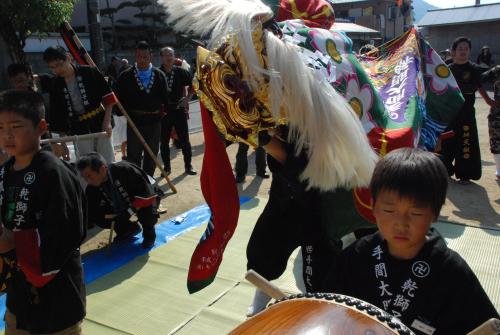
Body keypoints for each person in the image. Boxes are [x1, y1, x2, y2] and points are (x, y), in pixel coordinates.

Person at [323, 148, 499, 333]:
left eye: (416, 213)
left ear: (435, 213)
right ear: (373, 207)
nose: (401, 224)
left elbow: (483, 326)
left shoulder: (450, 270)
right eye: (389, 211)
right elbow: (327, 309)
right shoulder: (357, 256)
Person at [0, 90, 87, 334]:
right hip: (18, 293)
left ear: (41, 127)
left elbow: (66, 232)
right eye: (0, 127)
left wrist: (11, 240)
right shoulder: (6, 172)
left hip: (57, 291)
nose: (7, 134)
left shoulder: (54, 173)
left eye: (15, 126)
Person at [246, 126, 338, 316]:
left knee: (319, 265)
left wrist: (263, 139)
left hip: (316, 203)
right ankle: (263, 290)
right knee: (265, 248)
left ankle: (318, 306)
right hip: (284, 198)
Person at [38, 45, 116, 164]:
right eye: (52, 68)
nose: (57, 70)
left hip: (99, 121)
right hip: (78, 127)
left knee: (108, 160)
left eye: (59, 65)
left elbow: (108, 97)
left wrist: (107, 121)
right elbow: (57, 115)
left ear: (68, 58)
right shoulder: (55, 84)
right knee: (86, 163)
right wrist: (62, 142)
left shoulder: (90, 71)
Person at [439, 37, 496, 184]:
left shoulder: (475, 69)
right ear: (453, 51)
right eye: (460, 48)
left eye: (466, 48)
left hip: (466, 114)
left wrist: (489, 101)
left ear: (469, 51)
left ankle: (465, 174)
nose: (463, 51)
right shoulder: (446, 69)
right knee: (446, 142)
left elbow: (479, 86)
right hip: (449, 113)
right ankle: (445, 170)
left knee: (466, 142)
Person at [76, 152, 159, 249]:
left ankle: (149, 235)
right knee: (97, 216)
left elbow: (146, 196)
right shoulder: (92, 188)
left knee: (147, 213)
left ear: (103, 169)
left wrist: (129, 212)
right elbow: (91, 211)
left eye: (89, 176)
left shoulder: (125, 170)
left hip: (145, 197)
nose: (87, 180)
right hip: (123, 205)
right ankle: (128, 229)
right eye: (84, 177)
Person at [116, 41, 169, 177]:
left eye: (145, 57)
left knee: (152, 154)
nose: (142, 60)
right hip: (135, 122)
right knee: (134, 155)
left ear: (150, 56)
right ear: (135, 56)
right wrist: (121, 112)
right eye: (139, 57)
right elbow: (117, 98)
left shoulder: (159, 75)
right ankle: (136, 182)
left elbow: (166, 99)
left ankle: (148, 181)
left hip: (154, 122)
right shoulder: (126, 76)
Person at [158, 46, 197, 175]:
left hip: (179, 110)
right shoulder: (157, 73)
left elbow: (194, 85)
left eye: (171, 55)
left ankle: (188, 166)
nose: (169, 58)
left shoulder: (181, 72)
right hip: (164, 112)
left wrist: (187, 98)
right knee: (164, 142)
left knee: (185, 140)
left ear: (174, 57)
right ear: (161, 58)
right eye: (166, 55)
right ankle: (167, 168)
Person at [481, 65, 500, 180]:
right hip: (497, 113)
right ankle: (499, 170)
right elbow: (477, 79)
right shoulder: (497, 70)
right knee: (496, 141)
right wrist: (487, 99)